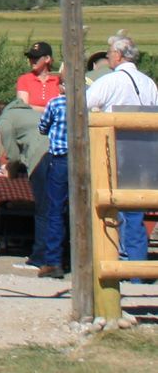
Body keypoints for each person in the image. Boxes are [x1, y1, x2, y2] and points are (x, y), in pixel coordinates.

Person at [86, 34, 158, 281]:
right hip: (144, 153)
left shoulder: (110, 81)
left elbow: (85, 105)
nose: (108, 58)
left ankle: (111, 263)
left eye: (109, 54)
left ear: (117, 55)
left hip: (113, 151)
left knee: (107, 208)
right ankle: (137, 268)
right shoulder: (149, 83)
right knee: (134, 210)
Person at [0, 98, 49, 269]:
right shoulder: (26, 110)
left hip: (39, 157)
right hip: (56, 153)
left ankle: (40, 257)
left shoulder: (5, 120)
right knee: (55, 209)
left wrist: (10, 171)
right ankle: (56, 255)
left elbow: (12, 155)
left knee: (43, 210)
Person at [36, 76, 69, 279]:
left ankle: (53, 260)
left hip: (60, 159)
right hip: (84, 159)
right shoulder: (89, 102)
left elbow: (42, 128)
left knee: (55, 210)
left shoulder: (55, 103)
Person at [16, 41, 60, 112]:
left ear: (47, 59)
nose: (32, 60)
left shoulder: (57, 80)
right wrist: (50, 110)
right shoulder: (24, 79)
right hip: (31, 121)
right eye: (30, 57)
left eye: (36, 57)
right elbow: (22, 107)